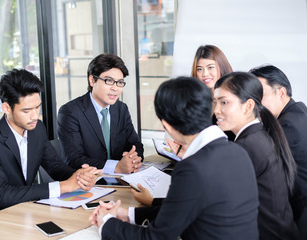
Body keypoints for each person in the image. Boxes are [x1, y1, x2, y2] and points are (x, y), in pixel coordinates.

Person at [89, 77, 259, 240]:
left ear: (166, 125)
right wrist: (127, 214)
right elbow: (179, 209)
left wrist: (106, 222)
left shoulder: (192, 168)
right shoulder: (238, 152)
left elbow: (156, 237)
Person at [0, 69, 101, 219]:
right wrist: (64, 186)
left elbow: (55, 166)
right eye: (26, 111)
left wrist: (79, 176)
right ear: (6, 108)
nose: (35, 116)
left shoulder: (37, 129)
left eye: (37, 107)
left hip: (26, 210)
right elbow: (3, 194)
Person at [213, 71, 298, 239]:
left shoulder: (246, 146)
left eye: (224, 102)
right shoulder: (258, 135)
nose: (216, 110)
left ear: (249, 106)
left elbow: (212, 199)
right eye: (215, 102)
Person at [58, 54, 143, 174]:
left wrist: (133, 158)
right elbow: (73, 159)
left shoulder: (121, 109)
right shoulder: (70, 112)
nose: (115, 88)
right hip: (90, 183)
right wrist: (116, 167)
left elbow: (135, 144)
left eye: (120, 82)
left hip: (122, 180)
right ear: (92, 80)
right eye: (109, 81)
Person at [250, 64, 307, 236]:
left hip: (298, 214)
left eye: (260, 96)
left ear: (281, 93)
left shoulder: (288, 125)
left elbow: (258, 159)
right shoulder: (298, 111)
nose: (255, 104)